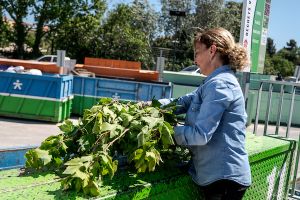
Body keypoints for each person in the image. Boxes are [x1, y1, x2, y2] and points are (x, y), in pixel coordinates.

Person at [160, 27, 251, 200]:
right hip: (218, 178)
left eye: (197, 53)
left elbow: (201, 135)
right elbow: (187, 101)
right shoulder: (214, 82)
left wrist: (166, 132)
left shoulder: (221, 84)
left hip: (224, 181)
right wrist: (154, 107)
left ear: (212, 50)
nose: (195, 60)